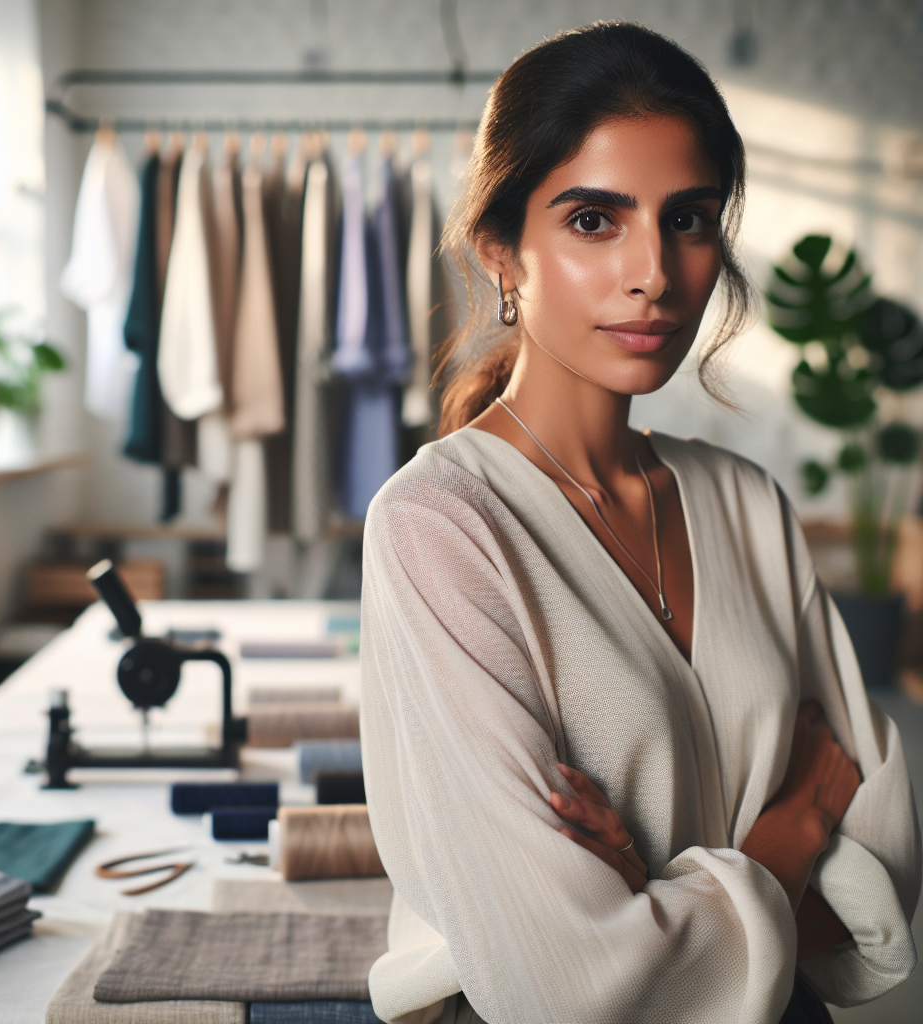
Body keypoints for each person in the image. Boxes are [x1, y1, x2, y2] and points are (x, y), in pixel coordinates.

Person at [359, 22, 921, 1024]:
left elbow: (887, 861)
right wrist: (787, 836)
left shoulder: (744, 503)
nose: (653, 273)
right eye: (592, 221)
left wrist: (643, 881)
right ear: (503, 253)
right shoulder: (439, 525)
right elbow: (565, 983)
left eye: (689, 219)